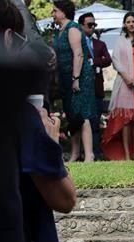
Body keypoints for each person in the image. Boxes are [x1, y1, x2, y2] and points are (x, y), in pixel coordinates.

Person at [103, 11, 134, 160]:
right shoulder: (120, 40)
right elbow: (116, 61)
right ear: (124, 24)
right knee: (126, 120)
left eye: (133, 21)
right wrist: (127, 79)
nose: (131, 24)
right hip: (125, 84)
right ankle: (126, 154)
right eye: (128, 22)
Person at [53, 0, 97, 162]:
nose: (53, 14)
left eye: (55, 11)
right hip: (65, 78)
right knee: (73, 116)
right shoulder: (60, 30)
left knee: (82, 114)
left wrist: (76, 78)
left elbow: (78, 54)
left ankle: (89, 154)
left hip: (79, 77)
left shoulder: (73, 29)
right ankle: (75, 152)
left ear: (63, 12)